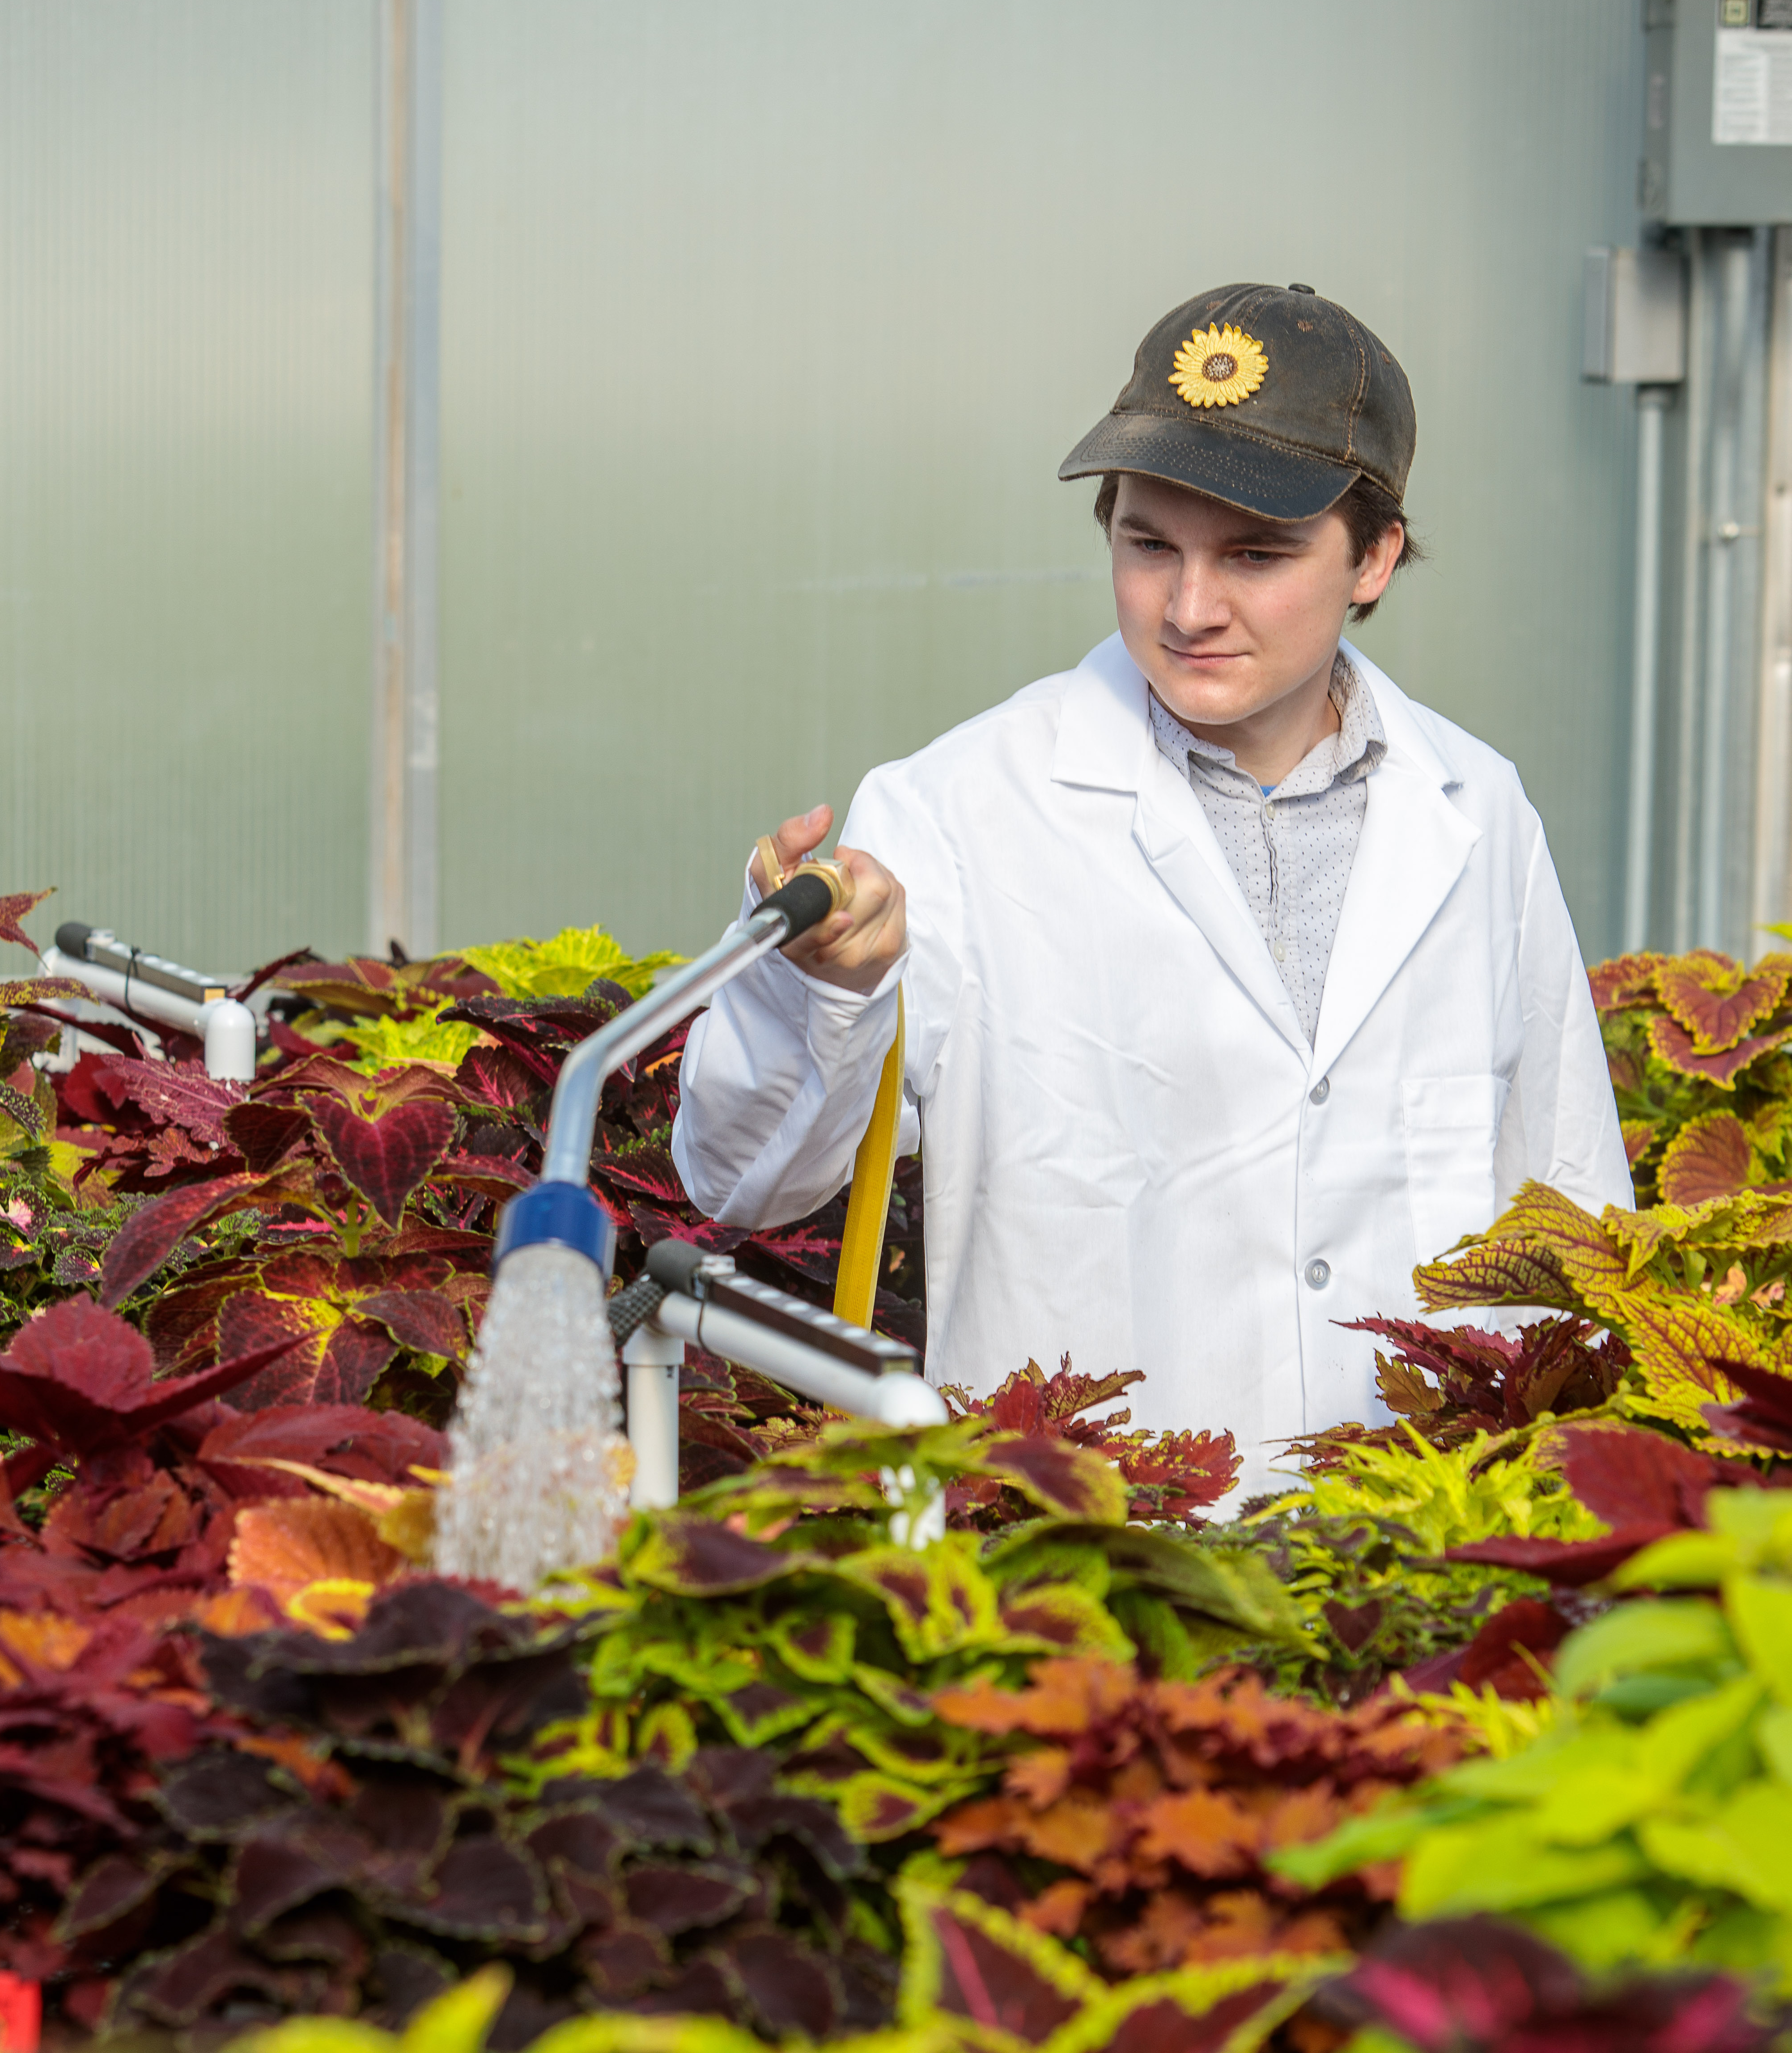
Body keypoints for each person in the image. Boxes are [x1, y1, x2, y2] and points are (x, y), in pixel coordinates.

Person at [671, 280, 1631, 1494]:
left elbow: (1570, 1211)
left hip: (1413, 1558)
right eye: (1149, 546)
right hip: (1090, 1557)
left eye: (1256, 556)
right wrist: (832, 992)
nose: (1189, 609)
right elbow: (744, 1180)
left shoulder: (1477, 813)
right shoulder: (959, 813)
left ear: (1375, 558)